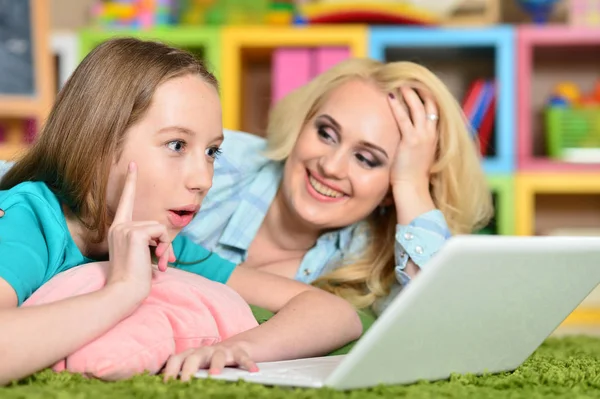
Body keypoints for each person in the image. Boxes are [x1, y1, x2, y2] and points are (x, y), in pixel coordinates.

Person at [0, 37, 362, 385]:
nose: (203, 179)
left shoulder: (159, 244)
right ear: (97, 143)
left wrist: (237, 348)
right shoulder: (29, 221)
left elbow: (335, 314)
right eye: (176, 145)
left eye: (211, 152)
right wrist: (123, 292)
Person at [181, 58, 494, 315]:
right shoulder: (216, 159)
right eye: (326, 134)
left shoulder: (374, 258)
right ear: (302, 123)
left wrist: (412, 184)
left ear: (390, 191)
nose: (330, 167)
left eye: (366, 159)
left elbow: (449, 319)